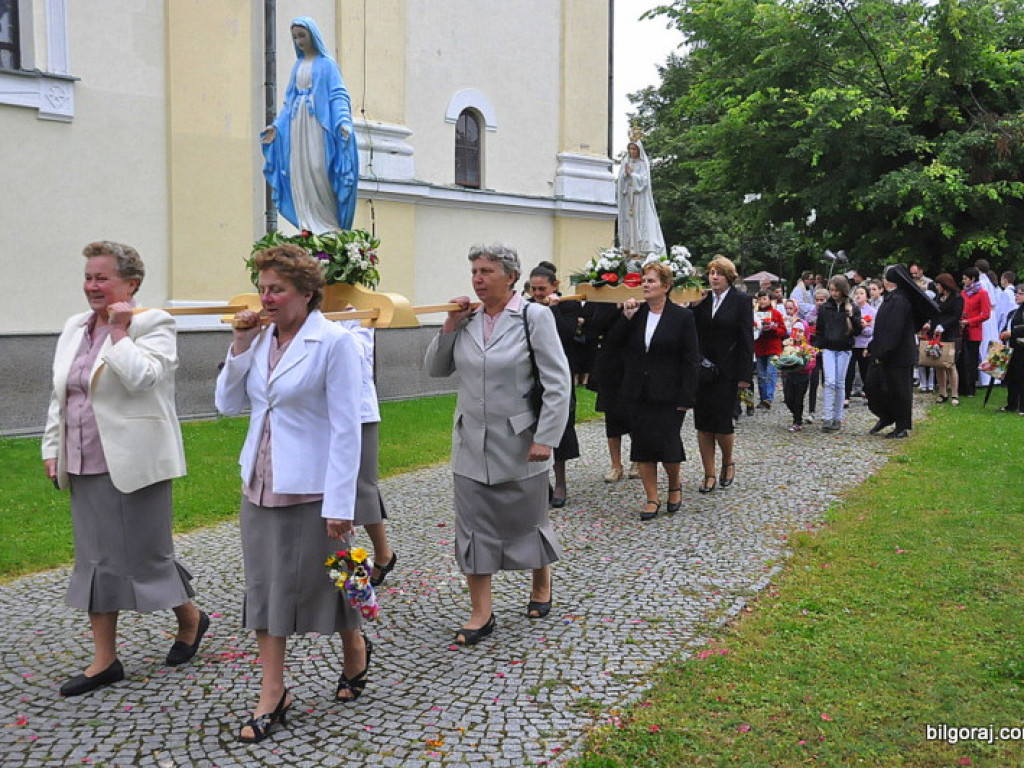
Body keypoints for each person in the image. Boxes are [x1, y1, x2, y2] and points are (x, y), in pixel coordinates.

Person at [215, 245, 368, 743]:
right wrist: (239, 345)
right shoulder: (258, 338)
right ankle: (273, 691)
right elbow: (227, 403)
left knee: (337, 573)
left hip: (314, 486)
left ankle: (355, 646)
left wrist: (341, 505)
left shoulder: (336, 343)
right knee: (265, 587)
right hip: (260, 482)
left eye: (277, 289)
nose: (267, 297)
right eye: (263, 288)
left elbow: (347, 429)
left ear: (307, 292)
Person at [42, 241, 208, 697]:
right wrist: (50, 447)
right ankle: (105, 660)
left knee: (146, 554)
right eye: (88, 277)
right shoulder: (74, 327)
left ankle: (190, 618)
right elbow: (64, 394)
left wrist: (118, 332)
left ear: (130, 283)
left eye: (102, 278)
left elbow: (144, 378)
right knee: (95, 559)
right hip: (83, 459)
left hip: (136, 459)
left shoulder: (153, 323)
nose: (92, 286)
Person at [425, 244, 571, 644]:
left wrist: (546, 438)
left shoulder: (534, 317)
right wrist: (450, 324)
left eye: (486, 270)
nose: (477, 278)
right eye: (474, 270)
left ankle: (541, 582)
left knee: (526, 522)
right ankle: (481, 612)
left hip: (521, 440)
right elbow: (436, 370)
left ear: (510, 276)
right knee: (473, 529)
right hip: (471, 441)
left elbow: (558, 383)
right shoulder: (468, 320)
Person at [606, 262, 699, 520]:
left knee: (667, 444)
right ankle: (651, 497)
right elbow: (614, 344)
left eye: (651, 281)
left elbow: (691, 358)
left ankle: (674, 485)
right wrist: (624, 318)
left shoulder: (682, 317)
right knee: (642, 445)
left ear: (666, 287)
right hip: (637, 390)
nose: (645, 285)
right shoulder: (636, 313)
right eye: (644, 281)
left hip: (669, 392)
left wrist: (687, 395)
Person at [261, 17, 359, 233]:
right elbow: (288, 101)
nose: (298, 41)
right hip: (297, 126)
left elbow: (338, 95)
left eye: (302, 35)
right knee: (300, 172)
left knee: (318, 167)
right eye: (295, 37)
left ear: (313, 35)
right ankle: (308, 224)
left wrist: (343, 121)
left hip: (318, 126)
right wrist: (276, 126)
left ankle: (326, 224)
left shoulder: (327, 65)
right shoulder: (298, 66)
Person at [337, 314, 398, 587]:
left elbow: (357, 355)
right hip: (317, 417)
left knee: (359, 489)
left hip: (357, 413)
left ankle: (354, 578)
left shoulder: (355, 311)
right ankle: (363, 565)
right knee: (329, 494)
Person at [692, 256, 754, 493]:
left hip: (728, 370)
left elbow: (746, 338)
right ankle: (708, 473)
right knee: (703, 423)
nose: (714, 277)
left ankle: (727, 461)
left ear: (729, 277)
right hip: (703, 369)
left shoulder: (741, 301)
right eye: (711, 273)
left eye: (718, 273)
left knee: (722, 422)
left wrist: (745, 374)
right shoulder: (703, 300)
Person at [526, 263, 582, 507]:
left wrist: (554, 309)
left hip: (558, 373)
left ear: (554, 286)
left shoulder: (568, 305)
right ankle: (538, 481)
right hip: (529, 374)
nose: (537, 293)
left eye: (542, 288)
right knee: (528, 428)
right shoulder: (524, 307)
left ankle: (560, 482)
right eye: (533, 289)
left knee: (560, 428)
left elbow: (566, 334)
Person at [866, 265, 919, 438]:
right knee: (875, 386)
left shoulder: (899, 300)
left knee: (900, 391)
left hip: (898, 354)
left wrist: (882, 352)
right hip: (886, 351)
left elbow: (894, 330)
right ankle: (887, 416)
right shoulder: (892, 298)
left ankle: (902, 426)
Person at [585, 302, 633, 482]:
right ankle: (616, 464)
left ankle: (637, 458)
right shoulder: (603, 303)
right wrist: (617, 310)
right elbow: (594, 328)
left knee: (633, 414)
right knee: (612, 416)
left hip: (632, 362)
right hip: (609, 363)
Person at [814, 275, 862, 432]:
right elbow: (820, 329)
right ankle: (827, 417)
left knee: (840, 383)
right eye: (831, 290)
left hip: (844, 348)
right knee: (829, 381)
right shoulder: (825, 308)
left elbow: (858, 330)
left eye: (836, 290)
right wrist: (818, 346)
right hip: (828, 347)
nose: (833, 293)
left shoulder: (852, 306)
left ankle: (837, 417)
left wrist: (851, 316)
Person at [616, 140, 665, 255]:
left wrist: (632, 174)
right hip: (628, 196)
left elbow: (644, 182)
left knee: (639, 222)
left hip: (639, 199)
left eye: (634, 149)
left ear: (639, 150)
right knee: (629, 222)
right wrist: (625, 175)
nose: (631, 151)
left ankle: (641, 249)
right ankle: (630, 248)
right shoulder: (626, 162)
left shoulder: (643, 163)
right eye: (630, 149)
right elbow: (620, 182)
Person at [929, 273, 963, 405]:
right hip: (937, 334)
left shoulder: (957, 298)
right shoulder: (938, 297)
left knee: (950, 364)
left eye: (938, 284)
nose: (936, 287)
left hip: (951, 334)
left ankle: (954, 394)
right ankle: (942, 392)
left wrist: (944, 325)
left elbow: (956, 316)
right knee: (939, 364)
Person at [959, 266, 992, 397]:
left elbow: (986, 314)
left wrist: (970, 321)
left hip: (974, 331)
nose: (963, 281)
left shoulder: (982, 293)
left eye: (965, 279)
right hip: (963, 329)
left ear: (972, 279)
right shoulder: (963, 293)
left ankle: (971, 387)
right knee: (962, 359)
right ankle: (963, 386)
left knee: (972, 360)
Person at [752, 290, 785, 409]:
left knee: (771, 373)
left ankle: (768, 398)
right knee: (761, 375)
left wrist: (773, 329)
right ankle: (763, 397)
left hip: (773, 347)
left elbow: (783, 331)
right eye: (760, 299)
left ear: (770, 300)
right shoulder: (754, 314)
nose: (762, 301)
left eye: (764, 299)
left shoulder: (776, 313)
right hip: (760, 347)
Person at [844, 285, 874, 401]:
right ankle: (846, 396)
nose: (858, 296)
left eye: (861, 293)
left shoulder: (872, 311)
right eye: (857, 293)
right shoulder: (851, 309)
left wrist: (861, 328)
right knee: (849, 370)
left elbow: (871, 331)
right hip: (852, 344)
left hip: (864, 344)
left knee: (865, 371)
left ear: (867, 296)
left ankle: (868, 394)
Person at [999, 284, 1024, 414]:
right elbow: (1006, 326)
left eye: (1020, 294)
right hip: (1011, 347)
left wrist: (1012, 332)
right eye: (1016, 294)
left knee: (1021, 377)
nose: (1017, 296)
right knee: (1012, 376)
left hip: (1021, 348)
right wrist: (1003, 333)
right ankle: (1012, 404)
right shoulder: (1013, 312)